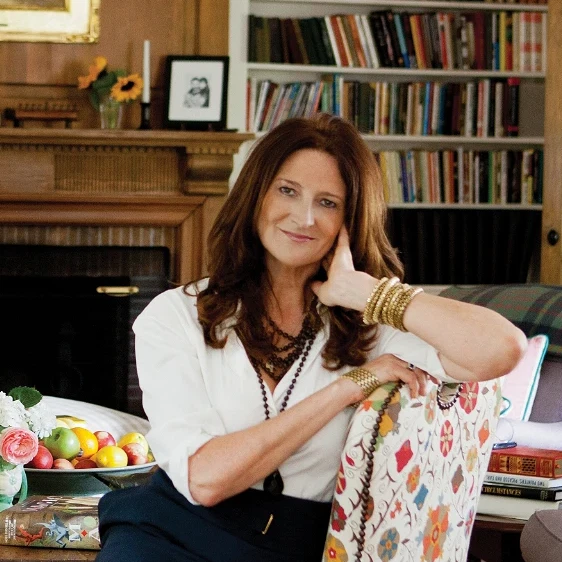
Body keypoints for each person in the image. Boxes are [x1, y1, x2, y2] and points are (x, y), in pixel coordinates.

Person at [96, 113, 527, 562]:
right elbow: (204, 480)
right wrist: (350, 387)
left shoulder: (371, 324)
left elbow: (501, 349)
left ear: (350, 219)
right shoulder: (176, 315)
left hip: (299, 544)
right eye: (287, 190)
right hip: (172, 531)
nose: (303, 217)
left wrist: (366, 291)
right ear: (255, 195)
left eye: (327, 203)